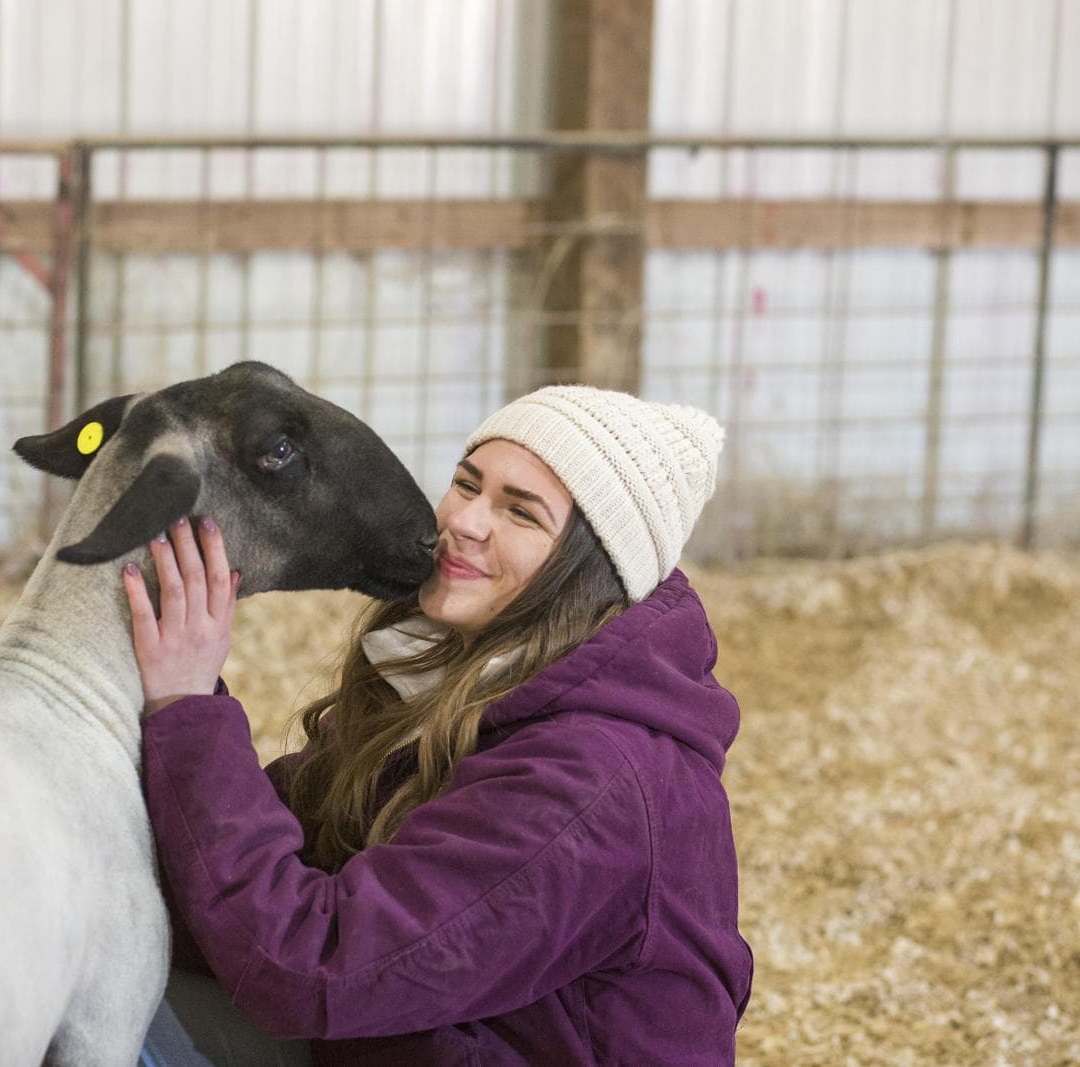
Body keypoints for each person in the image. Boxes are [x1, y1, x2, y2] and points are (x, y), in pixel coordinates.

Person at [125, 385, 753, 1066]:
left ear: (588, 573)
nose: (466, 521)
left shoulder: (586, 784)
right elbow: (243, 872)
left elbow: (311, 966)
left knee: (112, 1032)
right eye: (467, 483)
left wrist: (187, 712)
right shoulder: (460, 685)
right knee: (99, 985)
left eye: (520, 512)